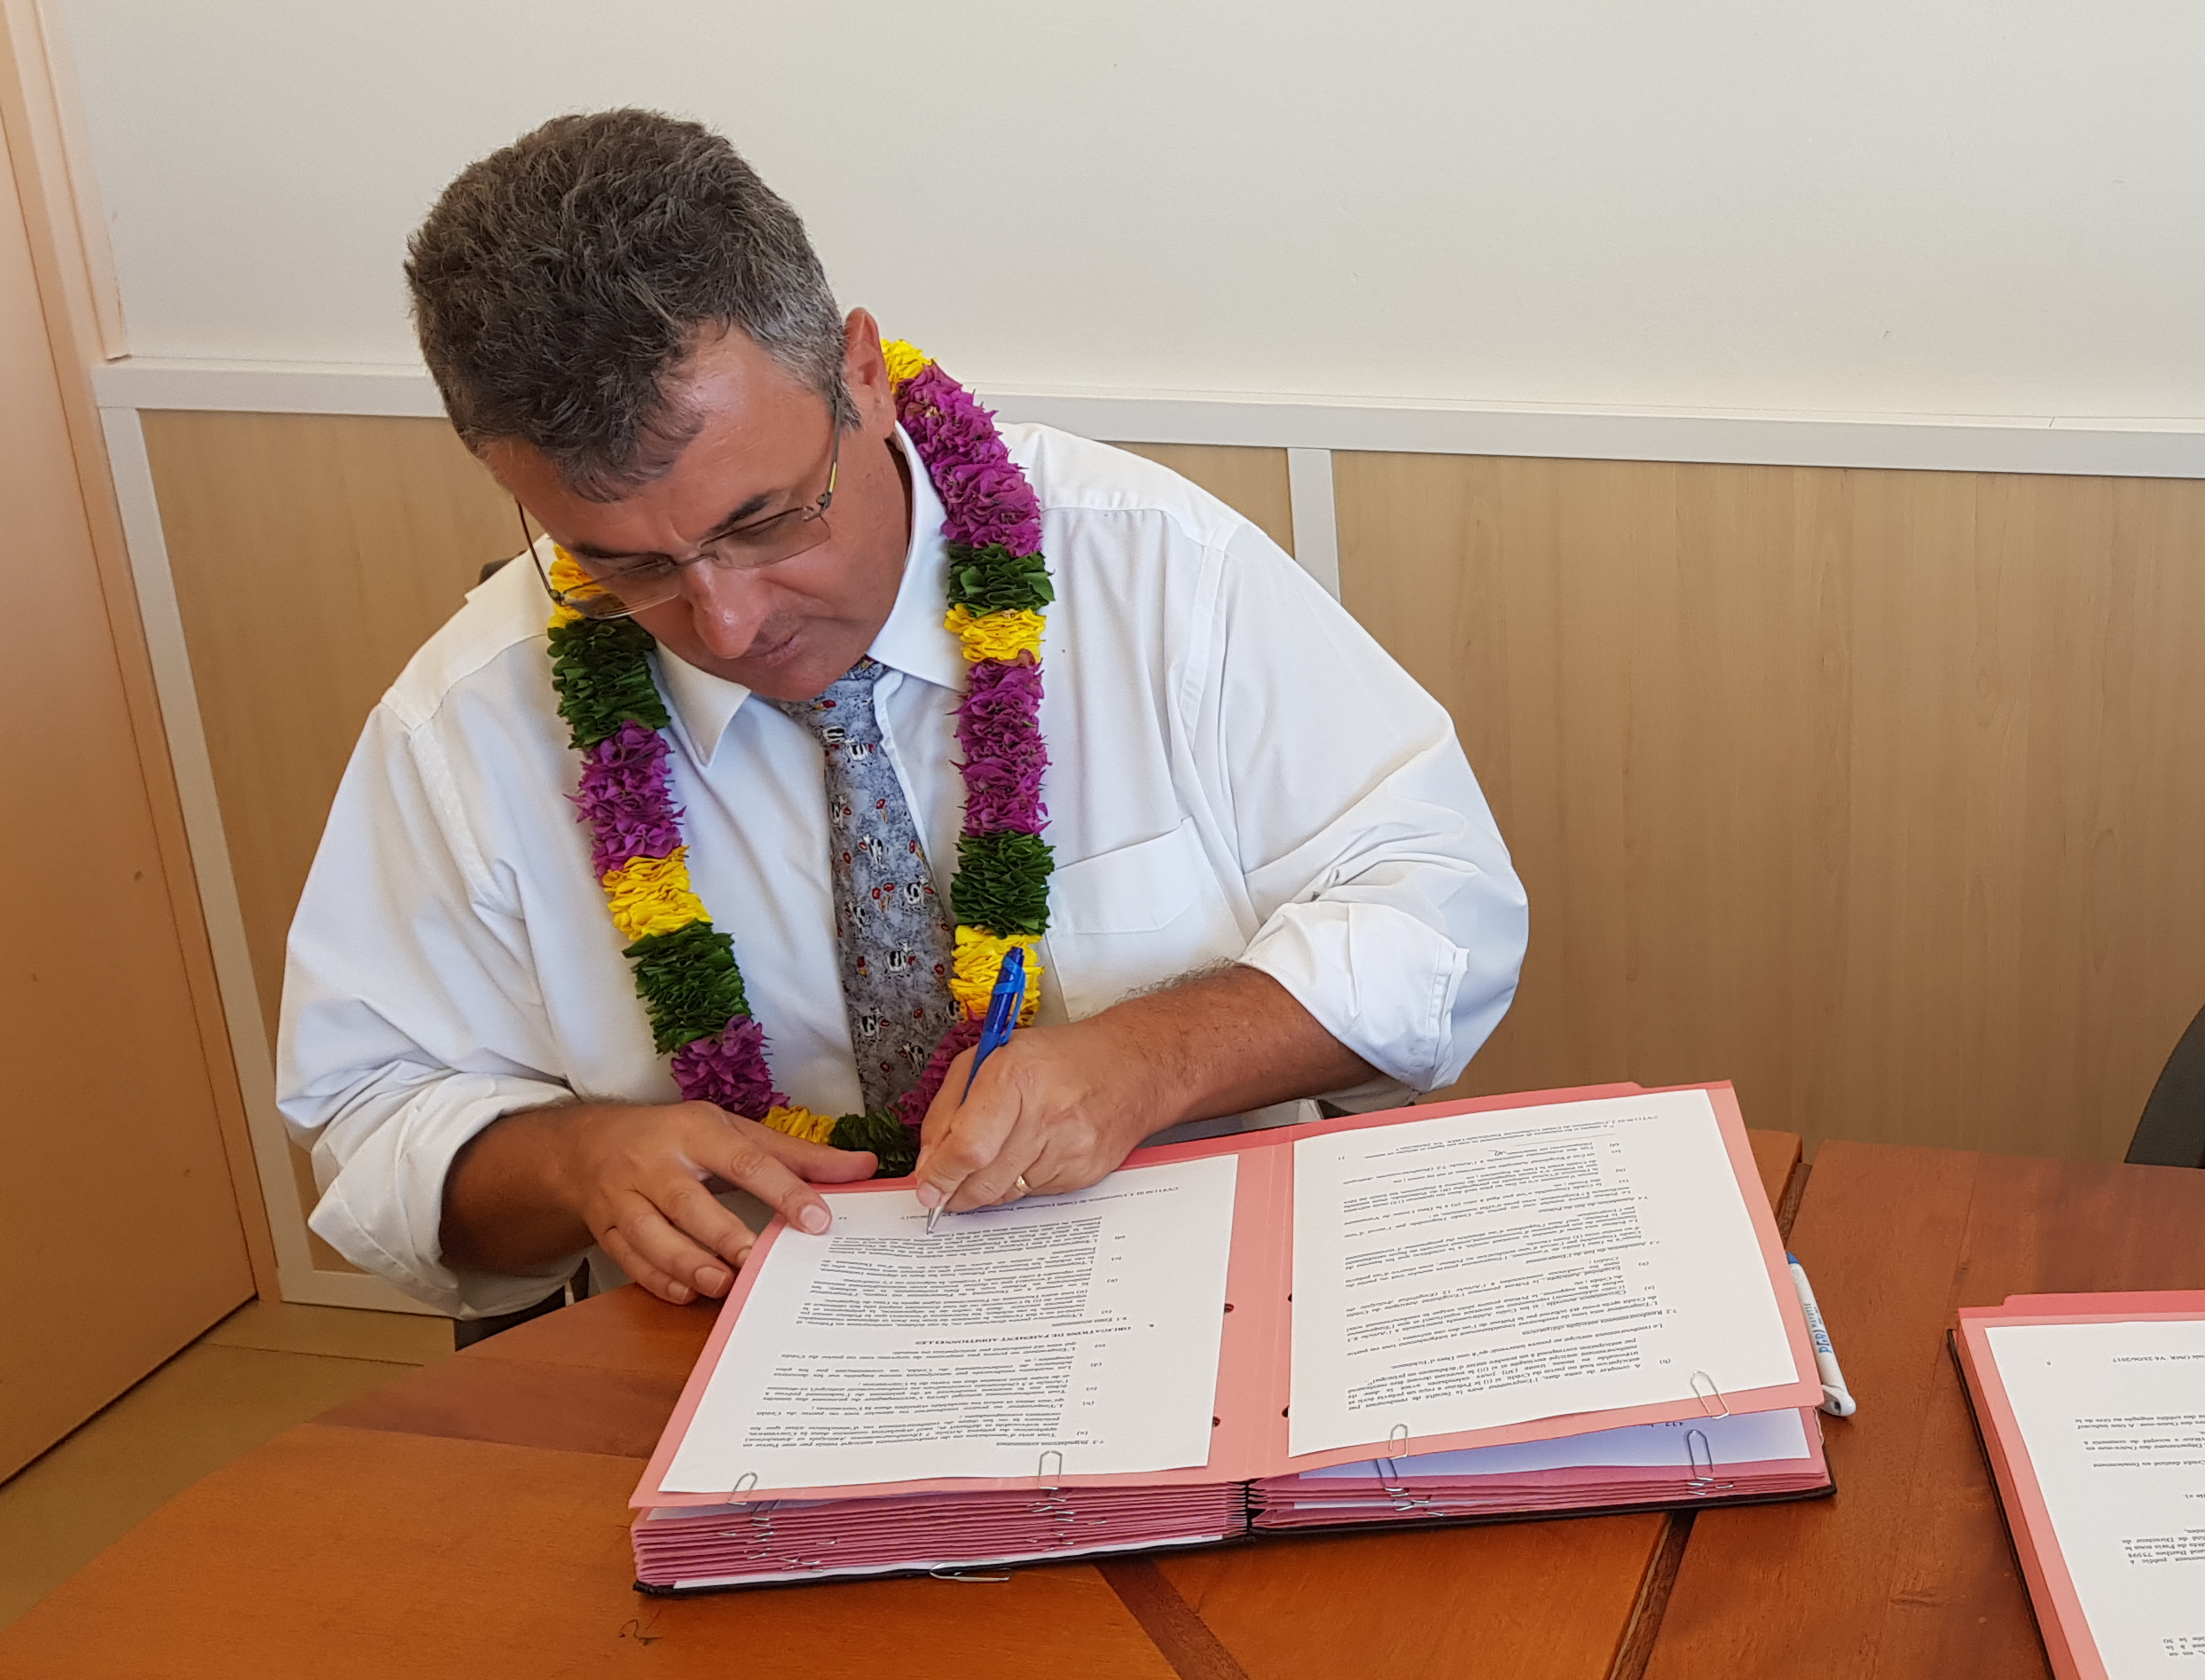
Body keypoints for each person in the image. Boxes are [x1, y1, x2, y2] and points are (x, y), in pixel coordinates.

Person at [281, 111, 1528, 1318]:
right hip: (729, 1347)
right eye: (629, 565)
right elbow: (371, 1120)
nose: (727, 623)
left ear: (862, 376)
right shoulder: (469, 718)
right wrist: (576, 1163)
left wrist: (1149, 1060)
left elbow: (1442, 908)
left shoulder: (1154, 572)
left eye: (765, 521)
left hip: (1206, 1307)